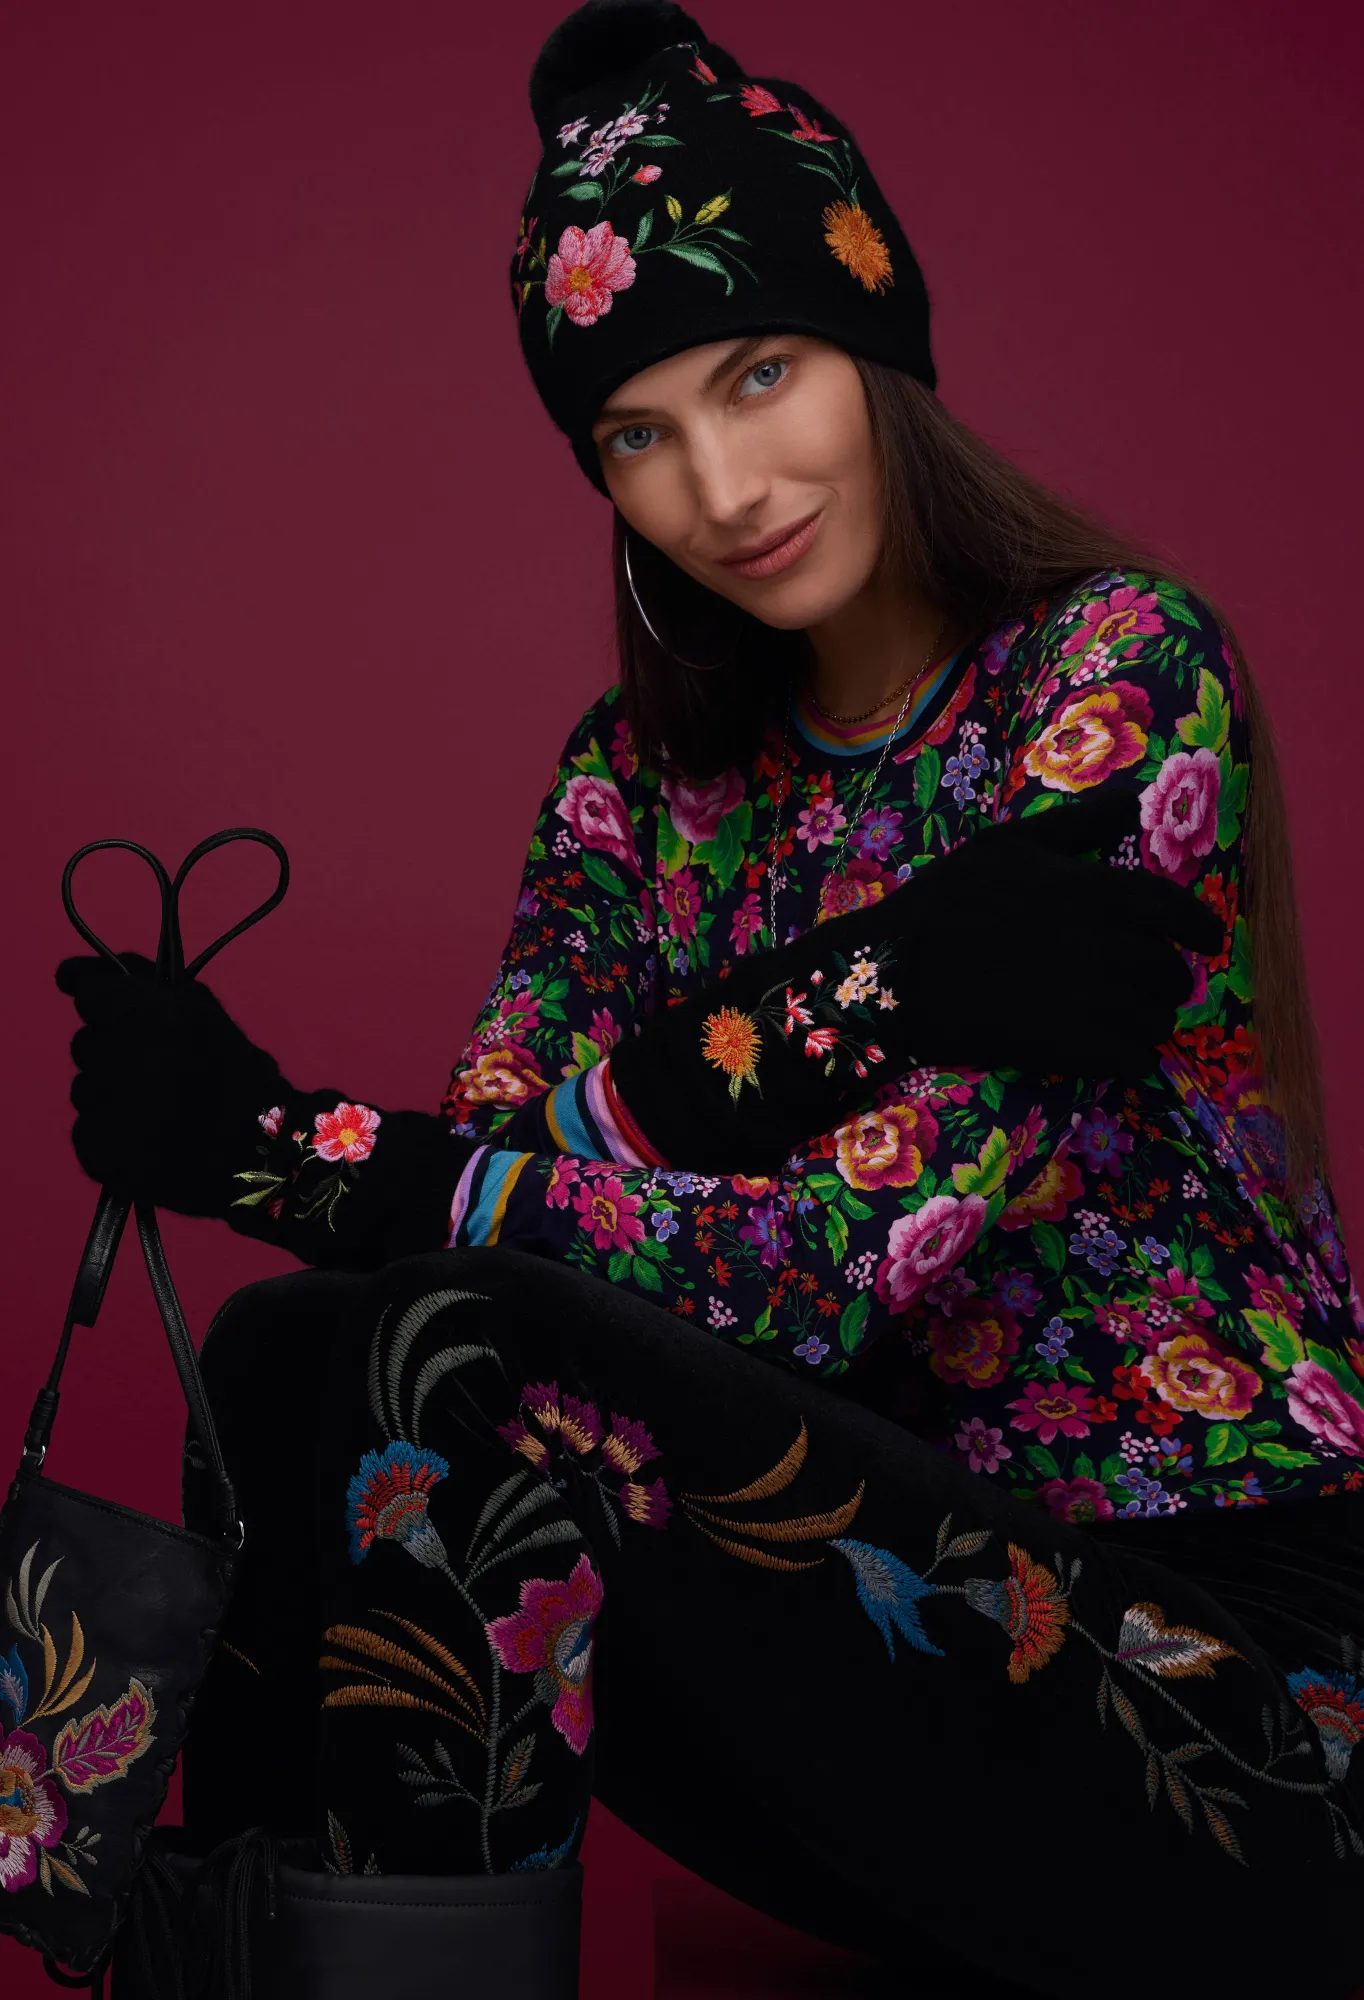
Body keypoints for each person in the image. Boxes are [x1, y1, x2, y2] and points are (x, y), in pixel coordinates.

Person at [52, 3, 1364, 1996]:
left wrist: (277, 1148)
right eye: (639, 435)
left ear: (876, 346)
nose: (726, 487)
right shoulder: (634, 782)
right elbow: (494, 1178)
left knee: (456, 1347)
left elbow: (828, 1272)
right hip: (877, 1631)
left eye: (760, 375)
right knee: (304, 1350)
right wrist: (875, 985)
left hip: (1236, 1686)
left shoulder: (1113, 678)